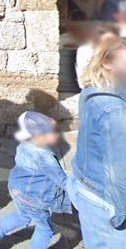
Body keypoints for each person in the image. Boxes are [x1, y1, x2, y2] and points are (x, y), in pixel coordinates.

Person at [67, 36, 126, 247]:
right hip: (106, 200)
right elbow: (119, 175)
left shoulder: (93, 88)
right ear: (107, 63)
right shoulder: (115, 110)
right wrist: (121, 215)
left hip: (85, 184)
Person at [0, 112, 71, 249]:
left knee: (23, 215)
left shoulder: (24, 145)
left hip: (17, 189)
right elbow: (62, 181)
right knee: (45, 229)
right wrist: (79, 189)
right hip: (33, 197)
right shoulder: (45, 157)